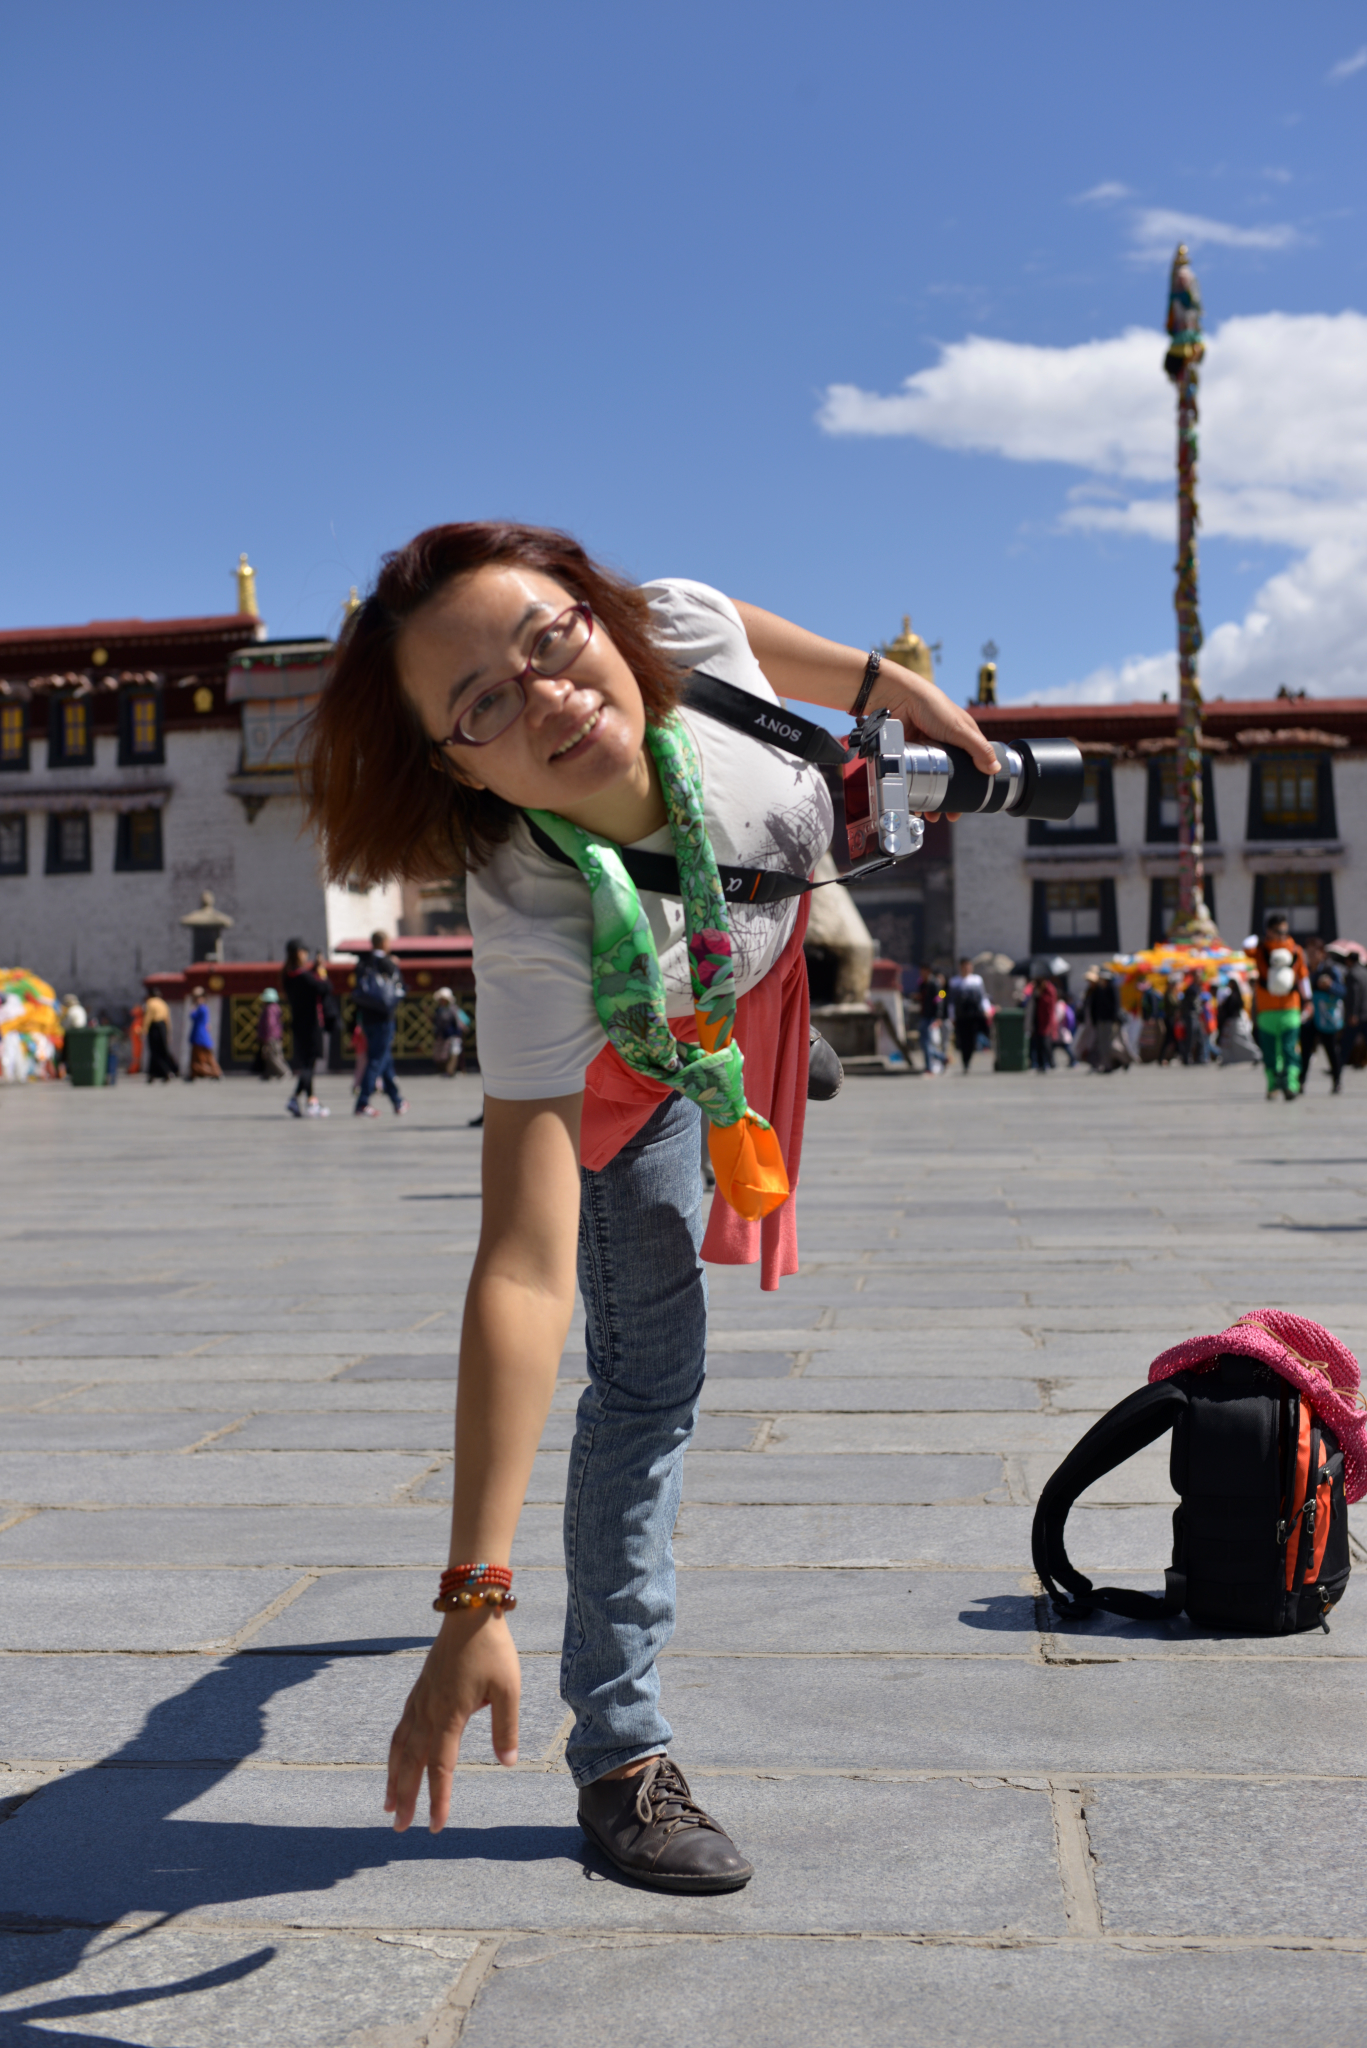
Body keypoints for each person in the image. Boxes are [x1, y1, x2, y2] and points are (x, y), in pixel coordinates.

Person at [303, 520, 999, 1891]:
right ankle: (621, 1754)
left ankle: (765, 1043)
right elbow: (520, 1267)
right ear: (454, 764)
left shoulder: (677, 637)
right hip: (629, 1067)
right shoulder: (535, 922)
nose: (549, 697)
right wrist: (473, 1594)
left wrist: (886, 686)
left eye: (549, 640)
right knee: (649, 1375)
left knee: (735, 975)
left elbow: (710, 603)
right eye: (480, 704)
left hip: (741, 987)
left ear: (598, 614)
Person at [1252, 913, 1311, 1100]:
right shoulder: (1260, 951)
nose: (1282, 935)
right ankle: (1273, 1085)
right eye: (1278, 931)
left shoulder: (1296, 951)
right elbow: (1246, 950)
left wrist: (1308, 1000)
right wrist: (1257, 942)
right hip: (1266, 1010)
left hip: (1290, 1008)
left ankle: (1291, 1084)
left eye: (1285, 931)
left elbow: (1303, 977)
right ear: (1269, 931)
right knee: (1270, 1052)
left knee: (1289, 1049)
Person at [353, 929, 408, 1118]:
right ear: (384, 943)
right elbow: (399, 985)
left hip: (367, 1018)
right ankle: (363, 1102)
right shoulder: (387, 962)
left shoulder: (363, 962)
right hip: (384, 1018)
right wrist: (394, 965)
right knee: (377, 1060)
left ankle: (397, 1101)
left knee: (385, 1058)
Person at [282, 941, 331, 1117]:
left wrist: (313, 969)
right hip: (311, 1024)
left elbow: (307, 978)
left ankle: (309, 1100)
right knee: (309, 1064)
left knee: (307, 1064)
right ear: (298, 953)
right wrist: (321, 971)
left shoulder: (288, 974)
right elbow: (324, 988)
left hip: (299, 1023)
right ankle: (299, 1099)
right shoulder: (303, 976)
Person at [1307, 955, 1347, 1094]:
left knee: (1331, 1050)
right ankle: (1300, 1082)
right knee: (1305, 1051)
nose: (1312, 955)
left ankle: (1337, 1081)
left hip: (1325, 1016)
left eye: (1315, 951)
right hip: (1309, 1017)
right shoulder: (1304, 968)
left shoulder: (1331, 970)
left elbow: (1342, 991)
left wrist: (1330, 985)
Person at [947, 956, 988, 1074]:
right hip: (961, 1016)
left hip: (974, 1015)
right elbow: (950, 1000)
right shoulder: (954, 982)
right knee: (962, 1039)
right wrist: (951, 1016)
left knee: (972, 1039)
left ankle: (968, 1059)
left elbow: (982, 996)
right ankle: (965, 1061)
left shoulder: (977, 980)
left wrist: (986, 1009)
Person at [185, 987, 222, 1080]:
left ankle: (215, 1072)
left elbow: (193, 1016)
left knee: (206, 1056)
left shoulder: (202, 1008)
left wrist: (193, 1007)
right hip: (199, 1034)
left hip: (200, 1035)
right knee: (196, 1056)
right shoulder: (203, 1008)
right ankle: (194, 1074)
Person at [432, 987, 470, 1075]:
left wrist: (462, 1029)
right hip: (444, 1035)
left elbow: (459, 1022)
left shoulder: (453, 1009)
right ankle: (446, 1070)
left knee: (454, 1053)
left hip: (454, 1034)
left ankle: (450, 1071)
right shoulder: (439, 1010)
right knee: (444, 1053)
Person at [143, 992, 178, 1081]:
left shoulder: (150, 1002)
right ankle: (153, 1074)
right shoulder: (163, 1003)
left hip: (154, 1028)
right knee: (163, 1050)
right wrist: (168, 1033)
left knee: (155, 1051)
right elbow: (167, 1019)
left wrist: (144, 1029)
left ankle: (166, 1071)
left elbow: (148, 1017)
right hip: (163, 1027)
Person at [257, 987, 289, 1080]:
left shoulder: (270, 1009)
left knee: (272, 1055)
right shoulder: (276, 1007)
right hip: (275, 1035)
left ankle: (284, 1071)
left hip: (271, 1036)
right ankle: (268, 1074)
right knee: (270, 1055)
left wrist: (267, 1036)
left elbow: (270, 1023)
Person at [1030, 976, 1057, 1072]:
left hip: (1046, 1020)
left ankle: (1050, 1062)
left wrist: (1041, 994)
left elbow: (1050, 1004)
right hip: (1038, 1019)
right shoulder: (1037, 989)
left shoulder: (1049, 989)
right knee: (1038, 1042)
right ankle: (1040, 1063)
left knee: (1045, 1042)